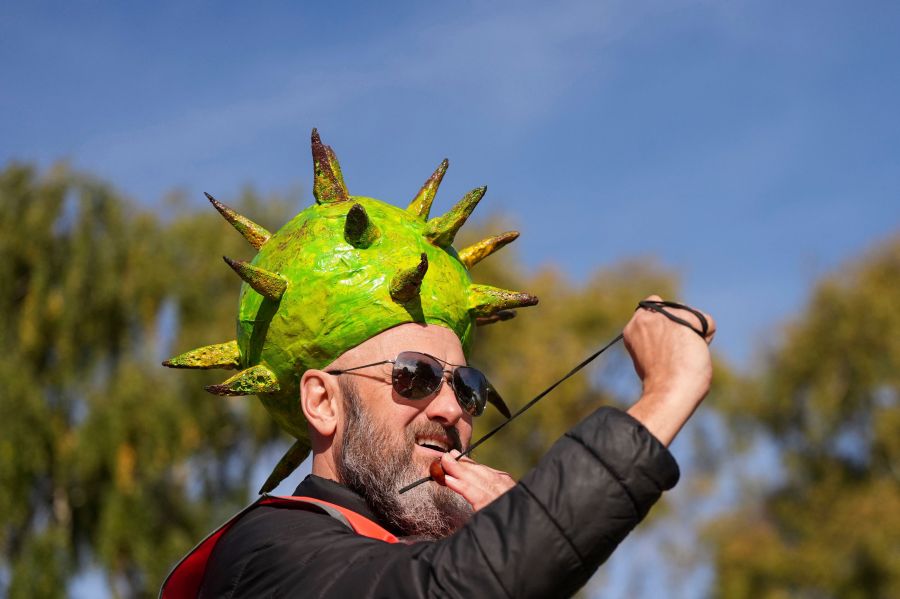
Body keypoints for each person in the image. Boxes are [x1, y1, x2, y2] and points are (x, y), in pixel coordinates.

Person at [160, 131, 715, 598]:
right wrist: (667, 393)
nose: (453, 408)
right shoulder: (267, 556)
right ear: (322, 401)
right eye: (414, 375)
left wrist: (513, 539)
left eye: (467, 386)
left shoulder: (430, 557)